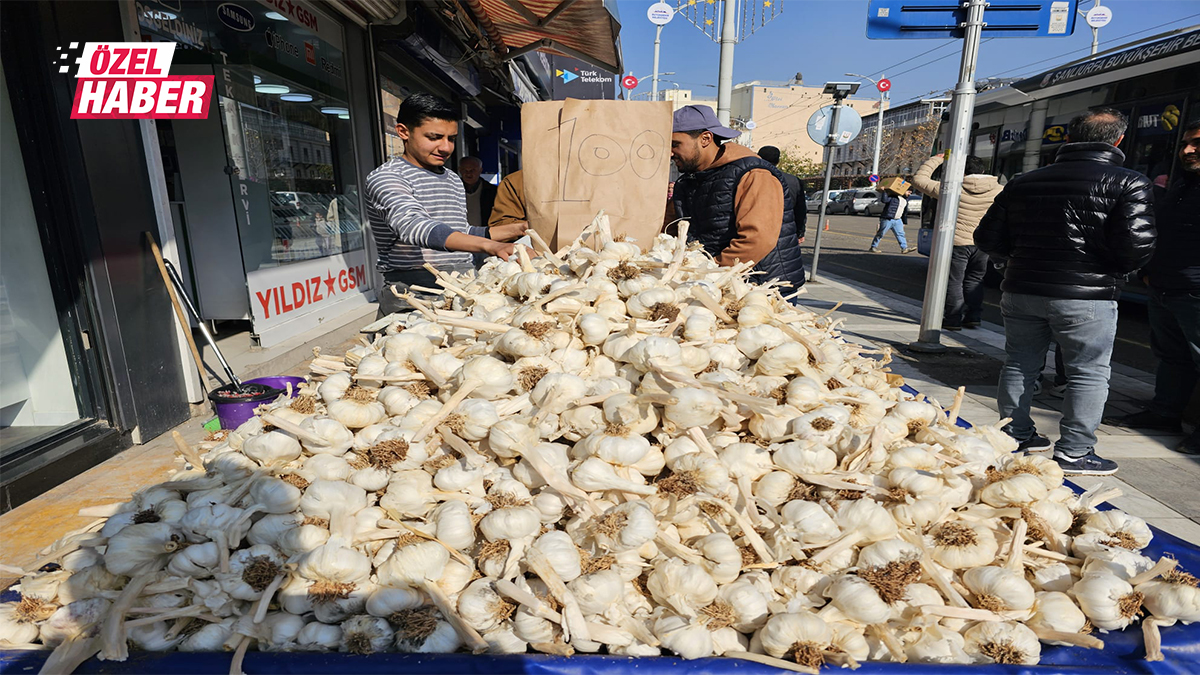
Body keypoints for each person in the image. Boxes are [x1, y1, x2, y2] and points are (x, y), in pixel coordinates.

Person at [974, 108, 1157, 475]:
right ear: (1119, 140)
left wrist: (1016, 259)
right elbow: (1138, 246)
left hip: (1022, 288)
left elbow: (986, 237)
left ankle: (1015, 436)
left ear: (1070, 137)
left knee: (1020, 362)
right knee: (1087, 372)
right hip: (1087, 296)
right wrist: (1112, 270)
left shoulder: (1025, 181)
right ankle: (1074, 452)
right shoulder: (1130, 182)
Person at [365, 93, 529, 318]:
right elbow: (414, 227)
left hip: (463, 286)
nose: (445, 147)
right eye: (434, 137)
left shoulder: (452, 178)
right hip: (413, 294)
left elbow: (460, 231)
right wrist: (490, 246)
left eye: (451, 138)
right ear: (403, 131)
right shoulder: (387, 178)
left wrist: (519, 229)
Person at [1107, 120, 1200, 455]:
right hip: (1165, 286)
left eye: (1196, 143)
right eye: (1185, 143)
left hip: (1194, 289)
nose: (1187, 150)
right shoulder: (1183, 183)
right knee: (1172, 356)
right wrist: (1148, 271)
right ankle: (1165, 413)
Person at [668, 105, 805, 289]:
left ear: (706, 138)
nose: (670, 152)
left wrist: (711, 270)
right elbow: (669, 227)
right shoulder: (687, 181)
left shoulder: (754, 174)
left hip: (761, 288)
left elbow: (756, 239)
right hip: (715, 281)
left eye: (675, 144)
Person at [911, 153, 1002, 330]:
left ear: (960, 171)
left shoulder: (950, 188)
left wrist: (938, 159)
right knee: (975, 279)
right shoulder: (999, 189)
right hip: (982, 244)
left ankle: (952, 319)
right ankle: (973, 317)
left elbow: (919, 179)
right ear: (984, 170)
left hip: (958, 243)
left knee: (954, 280)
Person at [757, 145, 807, 242]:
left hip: (757, 230)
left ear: (758, 158)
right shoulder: (794, 181)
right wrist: (800, 232)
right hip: (785, 231)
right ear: (778, 161)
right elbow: (800, 210)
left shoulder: (750, 177)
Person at [869, 187, 915, 254]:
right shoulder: (894, 197)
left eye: (910, 192)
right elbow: (884, 200)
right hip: (887, 219)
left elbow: (904, 212)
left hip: (898, 220)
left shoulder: (905, 201)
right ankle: (873, 247)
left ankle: (904, 248)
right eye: (908, 192)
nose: (909, 194)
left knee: (901, 234)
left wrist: (904, 222)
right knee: (881, 233)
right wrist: (884, 192)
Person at [460, 156, 497, 229]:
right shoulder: (453, 189)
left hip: (484, 233)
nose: (468, 174)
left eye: (472, 170)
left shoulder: (493, 191)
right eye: (465, 170)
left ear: (480, 170)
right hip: (459, 234)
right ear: (459, 170)